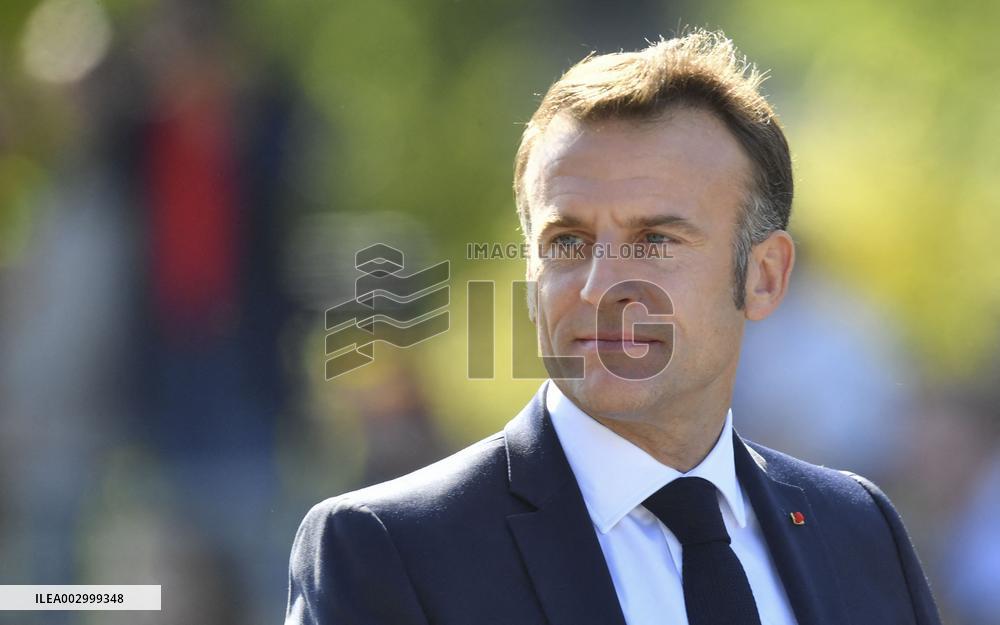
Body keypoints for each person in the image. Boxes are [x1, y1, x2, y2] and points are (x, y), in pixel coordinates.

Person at [284, 29, 942, 625]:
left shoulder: (858, 529)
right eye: (567, 241)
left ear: (764, 275)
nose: (599, 286)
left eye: (655, 239)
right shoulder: (390, 549)